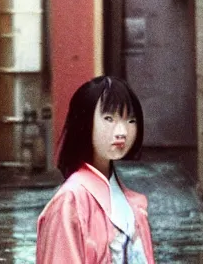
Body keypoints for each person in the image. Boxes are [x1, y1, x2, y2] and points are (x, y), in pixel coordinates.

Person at [36, 75, 155, 263]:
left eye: (130, 120)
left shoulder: (131, 201)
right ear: (84, 123)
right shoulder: (70, 201)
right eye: (109, 118)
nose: (122, 132)